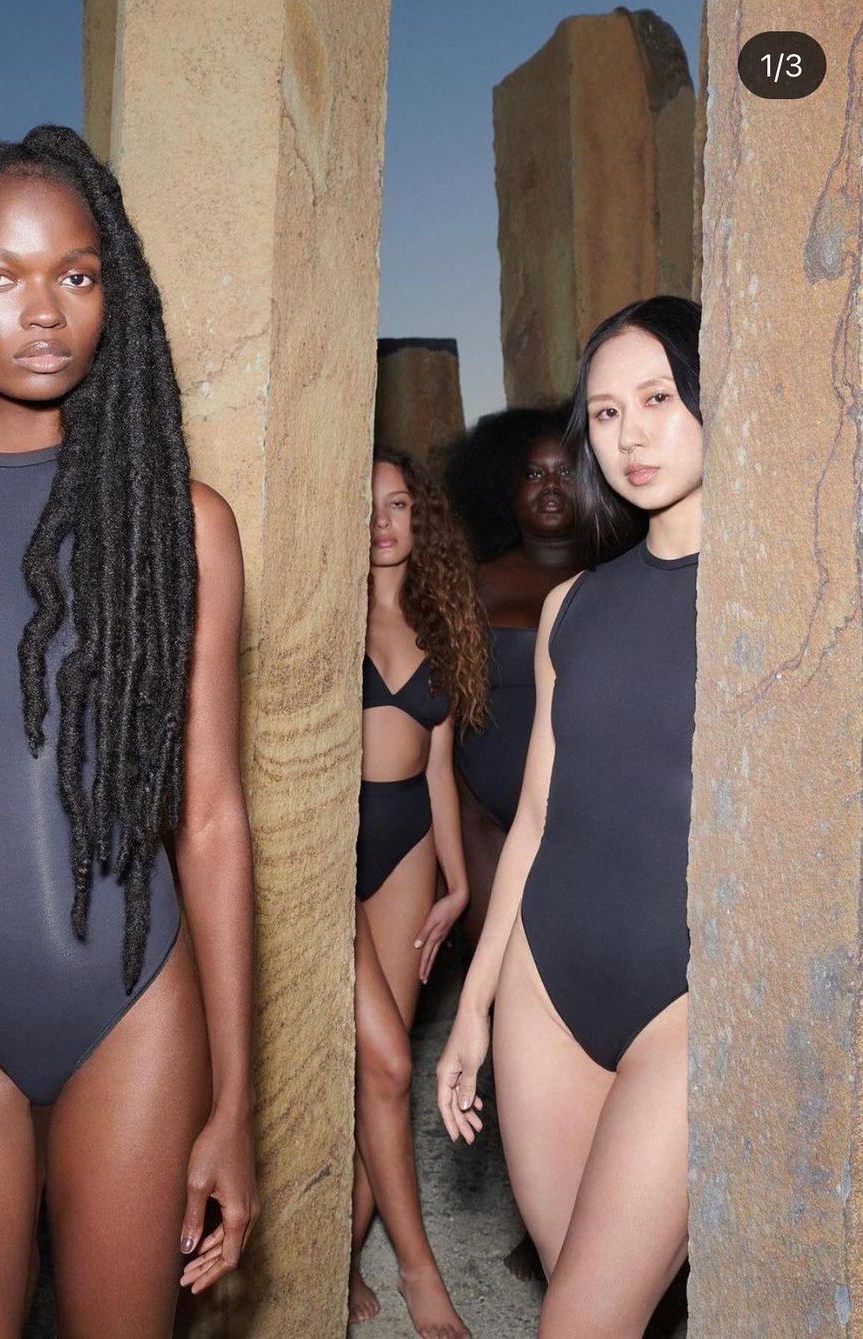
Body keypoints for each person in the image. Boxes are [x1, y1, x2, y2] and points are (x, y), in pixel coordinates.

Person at [0, 126, 258, 1337]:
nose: (45, 310)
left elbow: (211, 818)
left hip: (131, 1015)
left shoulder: (180, 525)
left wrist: (236, 1103)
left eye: (77, 274)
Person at [436, 296, 701, 1338]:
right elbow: (538, 817)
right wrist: (475, 1006)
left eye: (659, 398)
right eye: (605, 413)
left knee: (581, 1320)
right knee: (587, 1303)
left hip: (690, 1001)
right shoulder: (571, 607)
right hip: (547, 992)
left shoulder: (784, 605)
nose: (631, 434)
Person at [350, 451, 488, 1338]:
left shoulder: (439, 619)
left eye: (398, 503)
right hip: (333, 844)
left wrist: (458, 879)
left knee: (382, 1065)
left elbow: (438, 767)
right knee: (391, 1063)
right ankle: (417, 1268)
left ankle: (340, 1244)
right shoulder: (333, 606)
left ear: (419, 517)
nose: (383, 521)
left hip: (406, 846)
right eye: (368, 505)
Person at [444, 408, 583, 951]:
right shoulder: (471, 581)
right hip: (481, 816)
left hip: (582, 814)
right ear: (507, 487)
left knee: (566, 966)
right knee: (491, 967)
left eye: (566, 471)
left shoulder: (616, 577)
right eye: (533, 473)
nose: (550, 486)